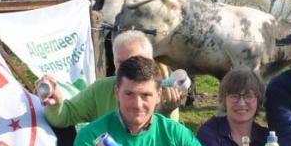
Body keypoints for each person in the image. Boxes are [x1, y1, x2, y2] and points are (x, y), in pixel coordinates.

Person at [70, 56, 244, 146]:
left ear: (159, 95)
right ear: (117, 92)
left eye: (146, 95)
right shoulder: (92, 133)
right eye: (129, 94)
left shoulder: (174, 133)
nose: (137, 105)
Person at [41, 30, 184, 127]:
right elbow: (64, 116)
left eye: (133, 60)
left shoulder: (163, 93)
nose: (126, 68)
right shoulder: (101, 90)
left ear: (149, 62)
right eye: (120, 63)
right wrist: (56, 103)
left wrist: (167, 112)